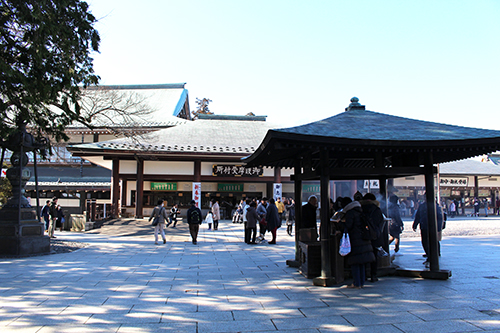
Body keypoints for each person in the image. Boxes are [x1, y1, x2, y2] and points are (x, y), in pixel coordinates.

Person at [341, 197, 375, 288]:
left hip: (355, 240)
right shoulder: (361, 211)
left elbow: (348, 226)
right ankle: (361, 282)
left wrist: (340, 223)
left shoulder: (350, 213)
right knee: (362, 262)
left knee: (355, 262)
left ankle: (356, 283)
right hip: (364, 239)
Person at [361, 193, 386, 282]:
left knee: (363, 255)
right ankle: (373, 275)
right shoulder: (377, 210)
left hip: (363, 236)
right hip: (374, 236)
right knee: (374, 256)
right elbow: (380, 222)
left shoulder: (361, 209)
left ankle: (363, 275)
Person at [412, 198, 444, 267]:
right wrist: (415, 224)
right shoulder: (422, 206)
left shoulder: (435, 206)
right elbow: (418, 216)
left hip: (432, 227)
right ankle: (429, 255)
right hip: (424, 226)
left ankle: (431, 257)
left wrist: (438, 228)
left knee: (431, 242)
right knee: (425, 242)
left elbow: (439, 217)